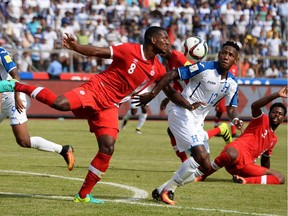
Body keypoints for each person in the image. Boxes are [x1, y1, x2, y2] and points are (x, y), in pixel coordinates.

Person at [0, 26, 171, 203]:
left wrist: (188, 105)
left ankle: (83, 195)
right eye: (164, 38)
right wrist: (76, 48)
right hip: (97, 89)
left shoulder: (158, 69)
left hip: (110, 105)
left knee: (108, 147)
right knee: (60, 104)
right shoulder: (130, 49)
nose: (168, 41)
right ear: (153, 40)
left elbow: (170, 89)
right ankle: (17, 86)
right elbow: (98, 51)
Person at [133, 41, 243, 205]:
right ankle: (169, 190)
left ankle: (163, 188)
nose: (226, 56)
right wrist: (152, 95)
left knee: (205, 168)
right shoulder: (203, 68)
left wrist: (235, 119)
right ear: (218, 54)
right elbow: (170, 75)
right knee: (201, 155)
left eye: (230, 55)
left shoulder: (233, 83)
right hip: (181, 113)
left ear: (236, 60)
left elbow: (231, 107)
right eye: (223, 53)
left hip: (197, 122)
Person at [0, 47, 74, 171]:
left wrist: (17, 96)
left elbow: (15, 75)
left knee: (24, 141)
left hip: (12, 97)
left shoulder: (1, 53)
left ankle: (64, 150)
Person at [196, 86, 287, 185]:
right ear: (269, 114)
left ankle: (244, 180)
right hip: (235, 154)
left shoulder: (274, 139)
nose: (277, 115)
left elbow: (265, 160)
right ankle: (203, 175)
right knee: (231, 153)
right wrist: (276, 95)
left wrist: (264, 175)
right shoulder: (262, 119)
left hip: (246, 167)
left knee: (281, 178)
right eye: (274, 112)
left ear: (283, 118)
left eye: (280, 114)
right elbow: (255, 106)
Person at [160, 47, 232, 163]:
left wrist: (189, 98)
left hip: (193, 102)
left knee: (192, 139)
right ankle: (185, 162)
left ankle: (220, 130)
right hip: (185, 101)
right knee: (172, 131)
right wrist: (169, 98)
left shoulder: (178, 57)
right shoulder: (168, 61)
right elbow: (179, 82)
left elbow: (193, 75)